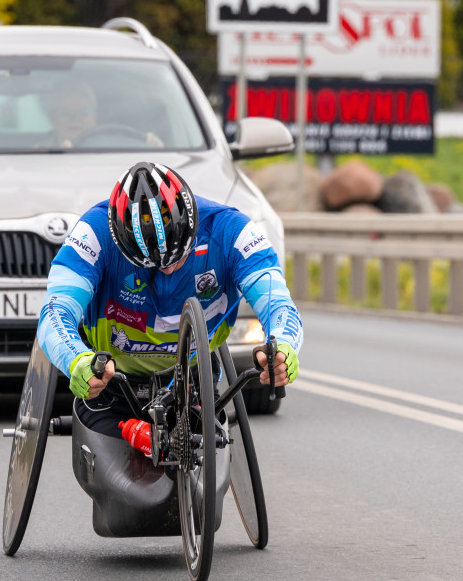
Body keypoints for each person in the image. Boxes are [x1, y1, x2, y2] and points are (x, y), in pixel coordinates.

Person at [37, 161, 303, 437]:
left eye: (179, 257)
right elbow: (55, 311)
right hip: (112, 381)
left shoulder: (232, 229)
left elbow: (278, 304)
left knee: (208, 443)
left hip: (192, 378)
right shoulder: (93, 232)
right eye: (150, 265)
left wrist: (282, 345)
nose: (167, 270)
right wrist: (75, 359)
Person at [45, 81, 163, 149]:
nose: (75, 118)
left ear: (94, 117)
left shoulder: (118, 146)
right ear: (52, 117)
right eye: (66, 112)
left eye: (84, 112)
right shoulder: (37, 153)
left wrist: (154, 147)